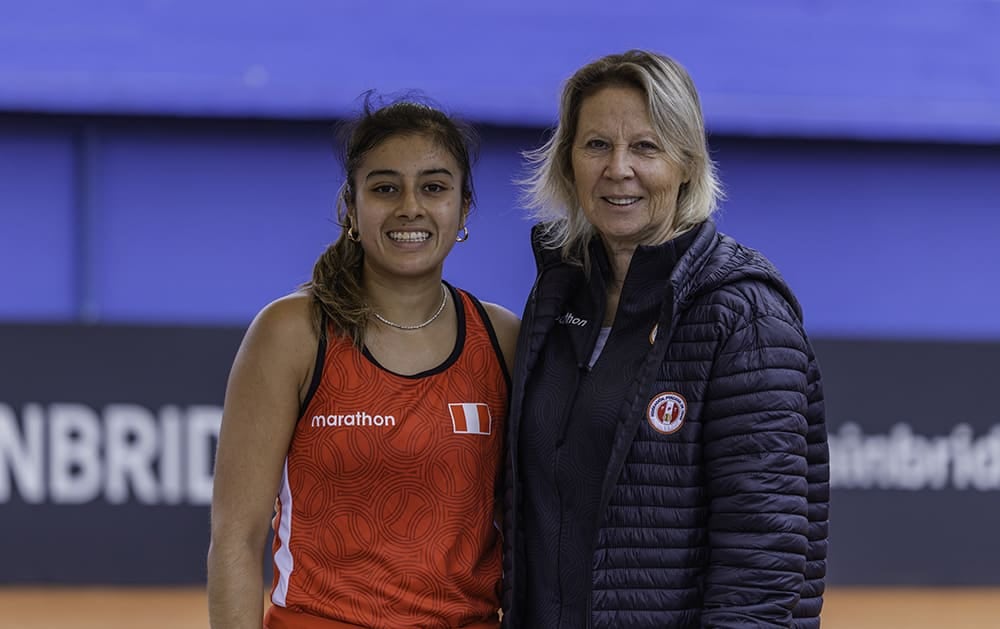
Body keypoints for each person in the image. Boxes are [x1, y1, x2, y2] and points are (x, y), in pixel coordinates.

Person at [502, 50, 829, 628]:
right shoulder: (558, 295)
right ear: (568, 161)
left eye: (646, 147)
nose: (618, 168)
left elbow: (763, 560)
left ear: (686, 163)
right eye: (596, 144)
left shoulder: (745, 315)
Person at [207, 94, 519, 629]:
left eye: (434, 187)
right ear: (351, 207)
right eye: (385, 188)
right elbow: (236, 538)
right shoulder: (292, 333)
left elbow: (532, 529)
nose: (410, 207)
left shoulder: (503, 339)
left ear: (464, 208)